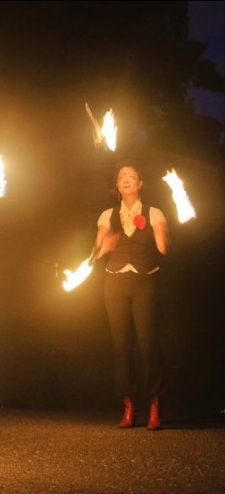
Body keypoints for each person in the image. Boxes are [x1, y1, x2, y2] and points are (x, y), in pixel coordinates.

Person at [91, 162, 171, 431]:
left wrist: (161, 233)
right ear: (117, 186)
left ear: (140, 184)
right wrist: (105, 246)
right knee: (120, 345)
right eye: (121, 176)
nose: (126, 179)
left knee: (148, 343)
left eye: (131, 175)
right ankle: (128, 404)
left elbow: (164, 249)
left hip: (144, 281)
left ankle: (154, 404)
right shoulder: (107, 215)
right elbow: (96, 251)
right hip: (114, 282)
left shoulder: (154, 212)